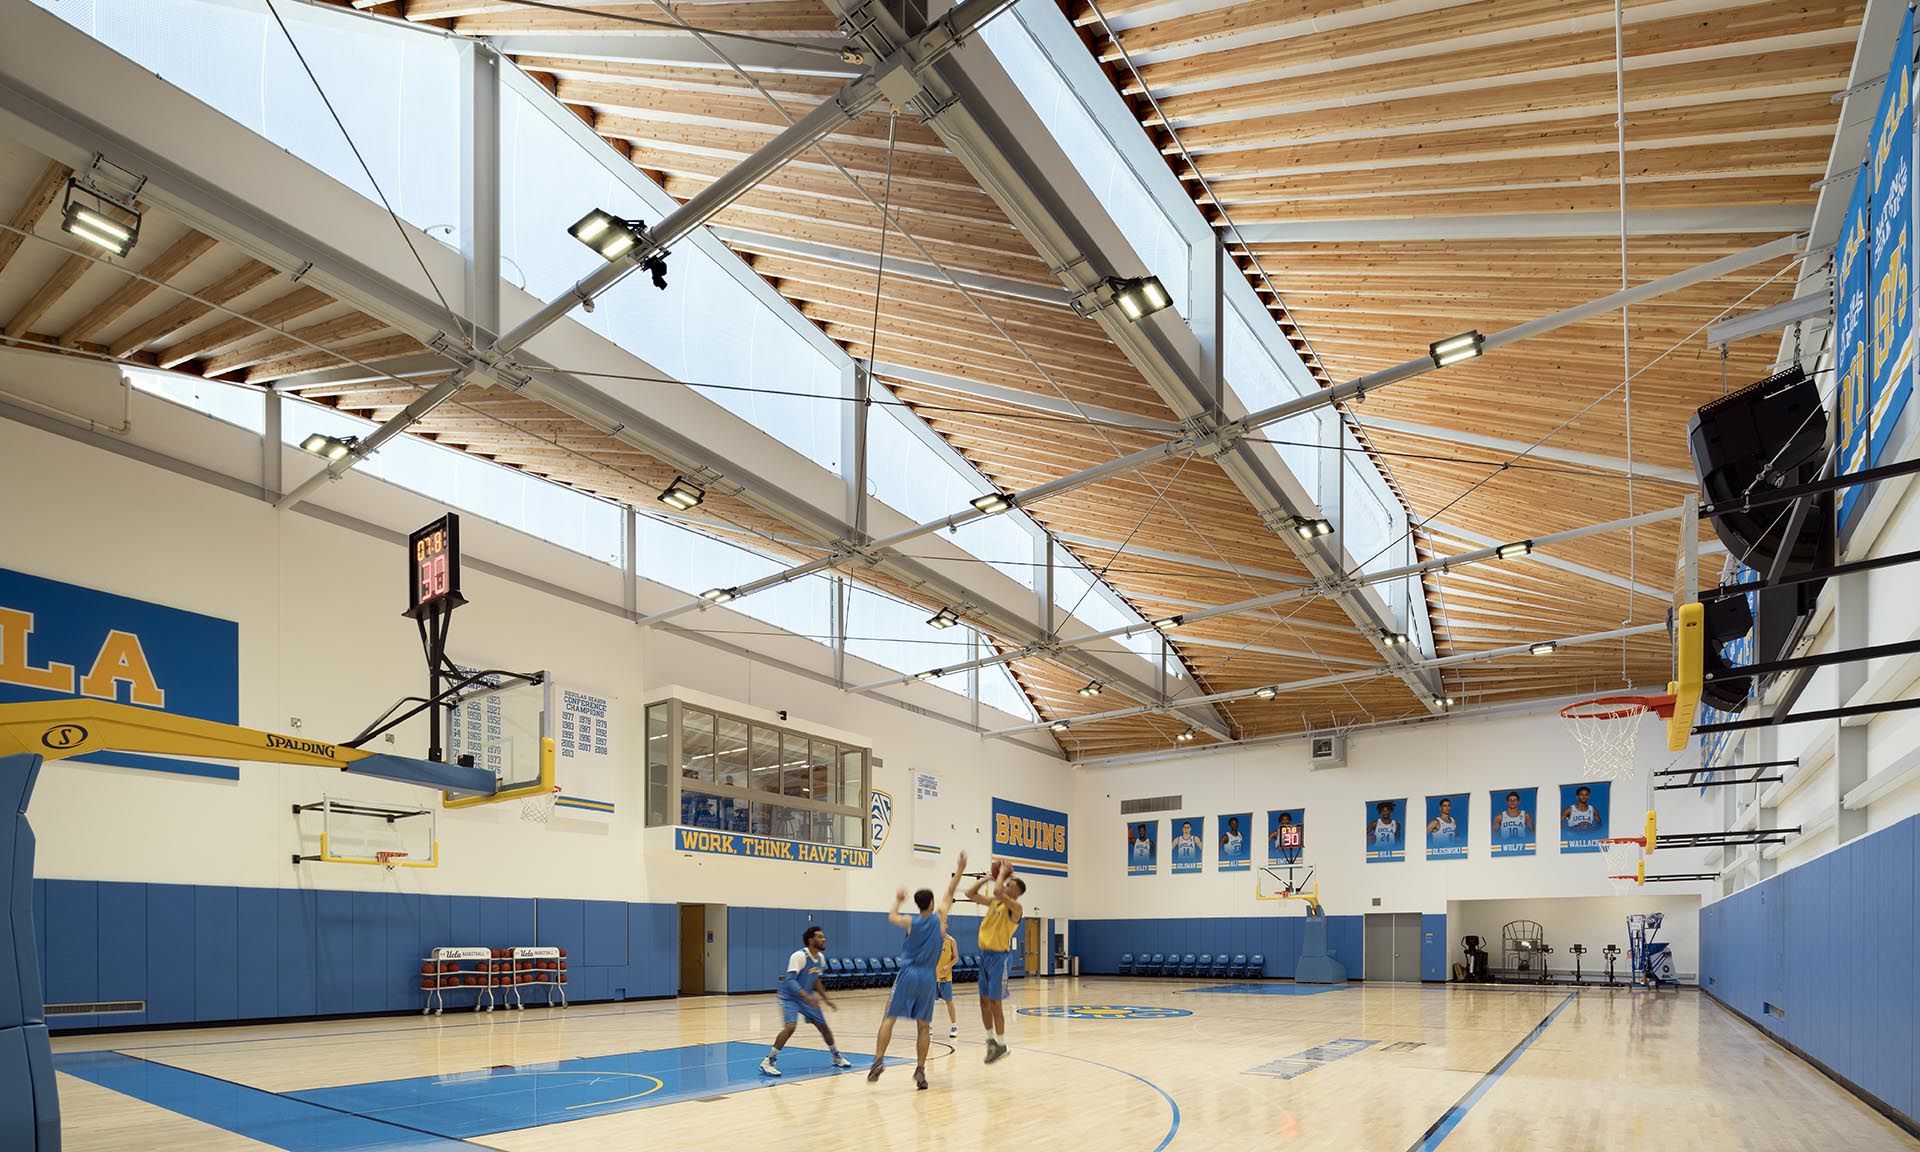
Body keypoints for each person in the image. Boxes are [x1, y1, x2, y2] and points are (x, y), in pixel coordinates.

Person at [869, 851, 966, 1090]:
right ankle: (920, 1071)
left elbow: (891, 917)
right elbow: (951, 892)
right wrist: (960, 868)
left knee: (888, 1018)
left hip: (908, 974)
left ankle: (878, 1061)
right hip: (928, 977)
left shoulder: (911, 922)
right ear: (932, 903)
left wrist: (898, 899)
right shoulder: (940, 918)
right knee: (923, 1027)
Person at [760, 925, 851, 1077]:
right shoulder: (799, 956)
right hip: (790, 996)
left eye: (824, 936)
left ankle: (836, 1056)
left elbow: (815, 980)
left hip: (806, 997)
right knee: (790, 1027)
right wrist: (806, 996)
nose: (824, 939)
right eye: (820, 937)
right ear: (811, 940)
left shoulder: (820, 958)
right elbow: (789, 980)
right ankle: (768, 1061)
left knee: (824, 1027)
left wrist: (826, 999)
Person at [965, 862, 1025, 1064]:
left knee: (995, 1002)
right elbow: (970, 893)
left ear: (1016, 892)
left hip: (999, 959)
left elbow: (999, 891)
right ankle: (990, 1041)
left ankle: (1001, 1044)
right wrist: (988, 878)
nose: (1005, 885)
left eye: (1010, 884)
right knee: (983, 1001)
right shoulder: (995, 902)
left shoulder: (1016, 908)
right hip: (985, 956)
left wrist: (1001, 874)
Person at [936, 931, 960, 1039]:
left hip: (945, 978)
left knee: (949, 1002)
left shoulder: (951, 941)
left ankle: (954, 1026)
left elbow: (956, 958)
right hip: (932, 977)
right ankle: (928, 1026)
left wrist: (948, 966)